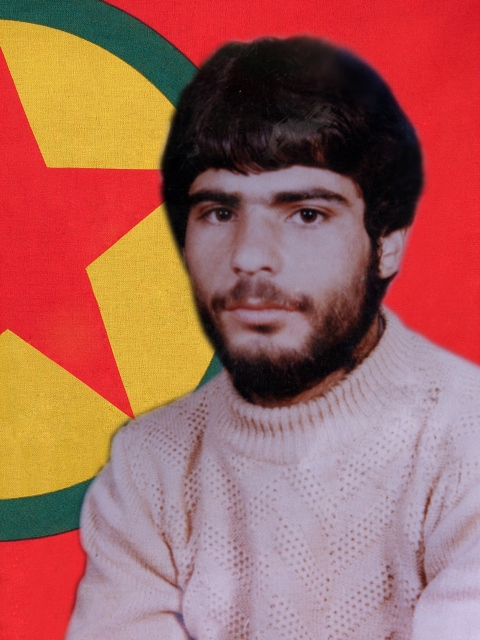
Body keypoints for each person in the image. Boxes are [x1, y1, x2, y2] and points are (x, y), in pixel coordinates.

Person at [67, 37, 480, 639]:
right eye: (220, 212)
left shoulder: (468, 438)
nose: (250, 257)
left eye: (307, 213)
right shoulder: (147, 464)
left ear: (387, 243)